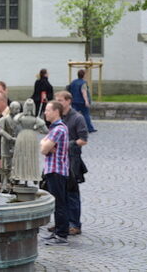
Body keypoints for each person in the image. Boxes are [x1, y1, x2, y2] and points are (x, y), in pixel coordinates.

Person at [55, 91, 89, 236]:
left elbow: (84, 139)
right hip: (59, 159)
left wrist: (68, 144)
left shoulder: (77, 118)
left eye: (61, 100)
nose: (58, 103)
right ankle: (62, 223)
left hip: (73, 160)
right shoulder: (58, 118)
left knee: (72, 193)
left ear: (68, 101)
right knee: (60, 193)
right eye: (56, 100)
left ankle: (75, 224)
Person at [40, 100, 70, 246]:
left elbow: (43, 149)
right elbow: (43, 144)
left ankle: (61, 234)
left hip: (56, 170)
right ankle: (58, 231)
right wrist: (45, 144)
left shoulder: (58, 129)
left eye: (47, 110)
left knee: (59, 203)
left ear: (56, 112)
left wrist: (46, 145)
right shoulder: (55, 128)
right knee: (56, 203)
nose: (45, 113)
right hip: (53, 170)